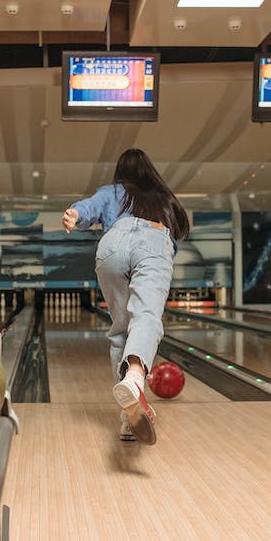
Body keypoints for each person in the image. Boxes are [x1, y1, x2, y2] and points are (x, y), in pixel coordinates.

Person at [63, 148, 189, 445]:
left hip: (112, 244)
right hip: (154, 240)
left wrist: (75, 214)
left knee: (120, 330)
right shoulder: (164, 197)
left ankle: (128, 418)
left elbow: (89, 208)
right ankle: (134, 378)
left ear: (121, 173)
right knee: (145, 316)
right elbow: (178, 232)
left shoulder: (112, 191)